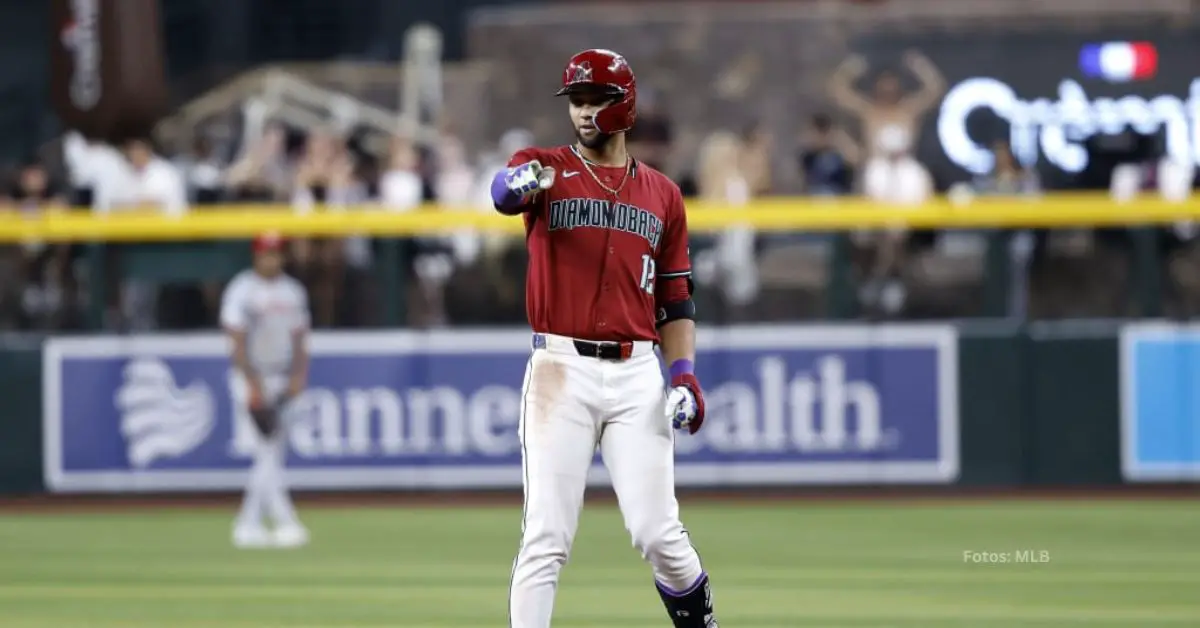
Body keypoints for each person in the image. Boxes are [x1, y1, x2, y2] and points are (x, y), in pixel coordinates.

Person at [490, 49, 718, 628]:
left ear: (626, 104)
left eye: (598, 99)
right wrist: (518, 183)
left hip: (638, 370)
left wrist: (684, 373)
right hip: (559, 370)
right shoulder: (544, 166)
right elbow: (501, 193)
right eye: (577, 101)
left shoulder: (663, 194)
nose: (585, 112)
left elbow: (675, 298)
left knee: (658, 533)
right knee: (546, 534)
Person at [220, 232, 311, 549]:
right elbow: (236, 340)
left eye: (276, 253)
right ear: (255, 256)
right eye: (266, 253)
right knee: (267, 450)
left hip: (281, 374)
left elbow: (301, 337)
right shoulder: (242, 290)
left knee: (271, 453)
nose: (271, 259)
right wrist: (253, 385)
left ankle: (249, 524)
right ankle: (285, 522)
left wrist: (299, 375)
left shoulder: (293, 291)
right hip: (250, 376)